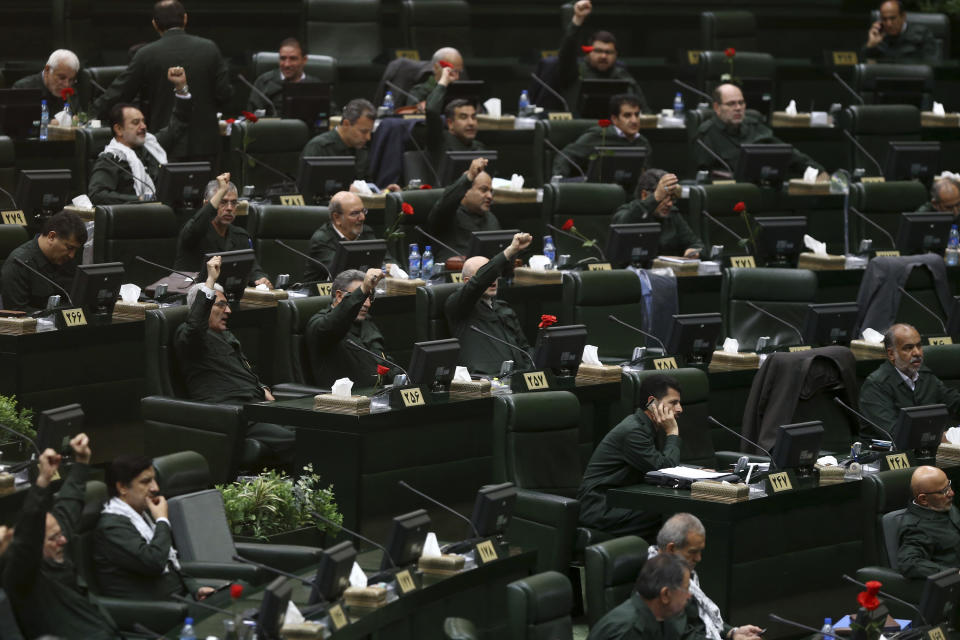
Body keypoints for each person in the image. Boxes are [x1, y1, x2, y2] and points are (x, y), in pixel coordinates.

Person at [2, 434, 123, 640]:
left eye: (59, 535)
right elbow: (27, 538)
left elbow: (69, 505)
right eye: (53, 538)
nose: (63, 540)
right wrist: (42, 483)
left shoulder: (54, 543)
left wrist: (81, 463)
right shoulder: (23, 577)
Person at [176, 255, 294, 466]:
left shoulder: (225, 335)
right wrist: (210, 280)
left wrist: (262, 387)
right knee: (296, 440)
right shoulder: (188, 335)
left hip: (253, 406)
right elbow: (195, 326)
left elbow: (243, 371)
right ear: (202, 308)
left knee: (310, 429)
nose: (228, 311)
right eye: (221, 305)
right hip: (228, 412)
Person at [91, 0, 233, 161]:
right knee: (210, 187)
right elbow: (224, 94)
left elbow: (120, 93)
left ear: (154, 24)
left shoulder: (146, 54)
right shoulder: (210, 49)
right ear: (185, 19)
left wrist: (91, 114)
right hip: (206, 144)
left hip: (164, 144)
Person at [94, 454, 215, 600]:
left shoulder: (142, 515)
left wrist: (196, 589)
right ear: (123, 487)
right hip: (153, 612)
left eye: (154, 480)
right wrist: (162, 521)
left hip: (179, 600)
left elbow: (171, 563)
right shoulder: (112, 526)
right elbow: (155, 562)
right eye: (146, 482)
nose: (155, 488)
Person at [578, 374, 684, 539]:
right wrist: (672, 433)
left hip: (621, 500)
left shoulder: (648, 427)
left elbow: (659, 464)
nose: (679, 409)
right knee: (667, 515)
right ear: (652, 402)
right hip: (600, 507)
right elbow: (665, 469)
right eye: (673, 403)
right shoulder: (633, 431)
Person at [87, 66, 191, 205]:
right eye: (136, 123)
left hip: (162, 215)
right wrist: (140, 200)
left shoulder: (152, 144)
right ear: (118, 129)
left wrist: (181, 88)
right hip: (131, 219)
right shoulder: (110, 160)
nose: (143, 126)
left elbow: (179, 122)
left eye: (143, 121)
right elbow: (97, 195)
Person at [651, 514, 764, 640]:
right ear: (671, 549)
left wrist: (732, 632)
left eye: (700, 551)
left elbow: (701, 620)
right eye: (693, 552)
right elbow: (684, 637)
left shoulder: (676, 571)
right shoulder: (660, 584)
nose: (699, 558)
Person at [692, 83, 827, 180]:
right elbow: (702, 177)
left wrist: (817, 171)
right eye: (731, 104)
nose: (738, 108)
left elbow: (788, 153)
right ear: (717, 107)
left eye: (741, 103)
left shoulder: (754, 125)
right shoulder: (706, 134)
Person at [445, 232, 532, 376]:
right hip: (484, 382)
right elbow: (479, 282)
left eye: (496, 275)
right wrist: (510, 251)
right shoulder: (457, 306)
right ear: (467, 282)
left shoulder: (504, 308)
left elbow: (525, 349)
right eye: (488, 276)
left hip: (518, 378)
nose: (493, 280)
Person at [174, 173, 271, 287]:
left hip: (225, 298)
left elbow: (253, 270)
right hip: (190, 297)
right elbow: (197, 225)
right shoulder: (194, 232)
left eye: (234, 203)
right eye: (223, 202)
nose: (230, 208)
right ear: (206, 205)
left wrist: (261, 279)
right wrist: (221, 190)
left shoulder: (240, 236)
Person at [305, 268, 396, 389]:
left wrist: (401, 379)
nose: (367, 304)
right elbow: (337, 322)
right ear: (339, 296)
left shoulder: (366, 322)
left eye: (370, 297)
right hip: (344, 403)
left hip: (380, 396)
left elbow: (383, 360)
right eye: (363, 297)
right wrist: (363, 289)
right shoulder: (320, 325)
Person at [554, 0, 647, 117]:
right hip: (579, 127)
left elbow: (643, 109)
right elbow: (567, 51)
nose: (603, 56)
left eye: (608, 52)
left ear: (616, 55)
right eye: (598, 51)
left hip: (615, 129)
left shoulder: (621, 75)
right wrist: (577, 20)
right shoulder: (574, 71)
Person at [860, 323, 960, 429]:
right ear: (891, 354)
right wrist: (939, 437)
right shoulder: (876, 385)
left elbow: (954, 404)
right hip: (887, 445)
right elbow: (893, 432)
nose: (917, 353)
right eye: (908, 348)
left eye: (919, 346)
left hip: (925, 443)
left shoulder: (925, 375)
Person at [587, 553, 691, 640]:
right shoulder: (630, 632)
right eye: (686, 589)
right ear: (665, 595)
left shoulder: (656, 616)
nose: (689, 595)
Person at [0, 210, 87, 313]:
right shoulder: (19, 264)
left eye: (75, 250)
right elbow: (16, 314)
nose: (72, 255)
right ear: (51, 237)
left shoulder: (68, 259)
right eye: (69, 248)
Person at [552, 94, 650, 180]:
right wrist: (559, 179)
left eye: (637, 115)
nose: (634, 120)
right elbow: (566, 156)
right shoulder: (599, 135)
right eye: (627, 115)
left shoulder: (642, 143)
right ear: (614, 119)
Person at [303, 191, 393, 282]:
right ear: (337, 218)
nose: (362, 218)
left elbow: (388, 260)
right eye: (355, 213)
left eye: (363, 211)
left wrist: (392, 269)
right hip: (323, 294)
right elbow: (343, 274)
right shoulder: (322, 240)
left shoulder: (366, 231)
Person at [613, 169, 703, 258]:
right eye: (664, 197)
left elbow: (696, 244)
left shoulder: (672, 215)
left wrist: (694, 250)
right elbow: (623, 225)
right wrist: (655, 198)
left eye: (672, 198)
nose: (670, 204)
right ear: (644, 195)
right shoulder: (627, 211)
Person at [427, 156, 500, 259]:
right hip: (452, 272)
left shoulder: (491, 219)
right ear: (465, 191)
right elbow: (445, 203)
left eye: (490, 191)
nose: (490, 196)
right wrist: (469, 177)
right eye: (484, 190)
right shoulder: (448, 215)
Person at [897, 465, 960, 578]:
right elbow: (909, 563)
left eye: (949, 485)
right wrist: (954, 574)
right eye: (945, 491)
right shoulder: (916, 528)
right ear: (923, 499)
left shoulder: (944, 505)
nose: (951, 493)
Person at [426, 64, 485, 168]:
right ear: (450, 123)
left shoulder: (479, 147)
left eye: (473, 117)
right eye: (463, 117)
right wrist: (444, 81)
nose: (471, 123)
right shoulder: (439, 140)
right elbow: (431, 110)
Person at [247, 37, 319, 116]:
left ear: (304, 60)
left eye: (293, 59)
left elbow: (329, 117)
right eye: (283, 58)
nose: (287, 64)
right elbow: (252, 117)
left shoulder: (316, 85)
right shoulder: (264, 82)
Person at [862, 0, 937, 63]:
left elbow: (931, 65)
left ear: (903, 17)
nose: (889, 24)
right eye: (884, 19)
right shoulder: (878, 37)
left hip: (913, 77)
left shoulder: (922, 34)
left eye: (893, 18)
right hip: (886, 78)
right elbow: (865, 68)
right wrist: (871, 45)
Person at [12, 49, 82, 116]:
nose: (66, 85)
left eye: (71, 80)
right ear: (47, 70)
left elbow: (79, 119)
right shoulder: (23, 88)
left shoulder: (71, 91)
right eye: (62, 78)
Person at [399, 47, 465, 108]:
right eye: (452, 72)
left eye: (459, 72)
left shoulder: (461, 90)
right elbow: (413, 117)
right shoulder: (420, 92)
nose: (457, 77)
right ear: (436, 68)